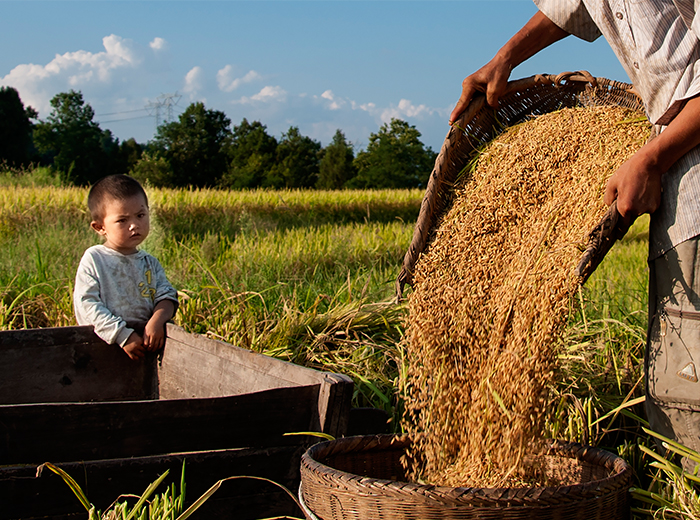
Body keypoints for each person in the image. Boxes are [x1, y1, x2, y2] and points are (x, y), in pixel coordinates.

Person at [449, 2, 700, 463]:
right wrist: (505, 58)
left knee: (692, 364)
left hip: (687, 165)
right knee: (678, 365)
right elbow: (575, 4)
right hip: (676, 169)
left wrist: (650, 158)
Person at [74, 174, 178, 361]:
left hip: (146, 348)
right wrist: (122, 335)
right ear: (100, 227)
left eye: (140, 215)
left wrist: (157, 320)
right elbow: (86, 305)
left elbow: (167, 296)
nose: (134, 225)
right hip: (103, 350)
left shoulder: (149, 263)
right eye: (122, 220)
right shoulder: (95, 259)